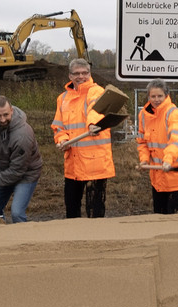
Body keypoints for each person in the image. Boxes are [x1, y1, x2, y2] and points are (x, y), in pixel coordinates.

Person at [52, 58, 115, 218]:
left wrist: (93, 123)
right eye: (77, 73)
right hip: (73, 162)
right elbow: (58, 126)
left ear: (90, 73)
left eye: (85, 73)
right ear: (70, 76)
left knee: (95, 211)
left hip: (95, 162)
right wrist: (62, 140)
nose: (81, 76)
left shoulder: (97, 91)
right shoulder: (63, 98)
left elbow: (95, 109)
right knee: (71, 209)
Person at [0, 95, 42, 223]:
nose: (3, 119)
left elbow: (17, 171)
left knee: (16, 213)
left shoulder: (22, 135)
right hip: (6, 171)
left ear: (11, 110)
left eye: (6, 115)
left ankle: (24, 240)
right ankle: (2, 235)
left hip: (26, 174)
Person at [136, 79, 178, 214]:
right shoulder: (144, 115)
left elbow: (176, 141)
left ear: (166, 95)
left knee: (174, 217)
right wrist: (144, 160)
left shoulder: (174, 114)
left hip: (177, 175)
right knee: (159, 215)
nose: (156, 100)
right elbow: (142, 142)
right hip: (158, 177)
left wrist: (168, 160)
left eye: (160, 96)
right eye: (153, 96)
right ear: (148, 96)